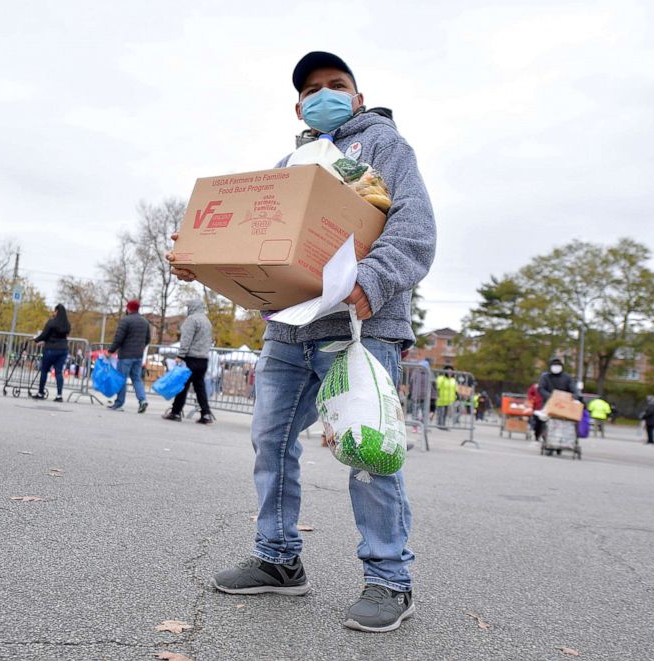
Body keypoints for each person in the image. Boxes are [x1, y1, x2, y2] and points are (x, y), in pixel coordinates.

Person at [170, 51, 435, 632]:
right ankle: (278, 558)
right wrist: (202, 259)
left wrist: (371, 282)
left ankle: (390, 580)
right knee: (271, 442)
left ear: (359, 97)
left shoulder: (387, 148)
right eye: (312, 89)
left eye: (337, 85)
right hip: (290, 329)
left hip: (363, 329)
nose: (324, 94)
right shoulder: (291, 163)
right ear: (298, 105)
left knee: (369, 453)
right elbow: (261, 243)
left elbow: (415, 234)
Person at [162, 298, 214, 424]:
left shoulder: (191, 320)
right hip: (203, 359)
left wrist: (181, 355)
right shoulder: (207, 321)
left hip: (191, 358)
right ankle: (206, 414)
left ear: (192, 307)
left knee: (182, 386)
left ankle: (175, 412)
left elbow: (186, 339)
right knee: (200, 388)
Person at [107, 299, 151, 413]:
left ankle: (119, 403)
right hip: (138, 356)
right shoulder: (145, 322)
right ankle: (143, 400)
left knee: (121, 379)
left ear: (128, 308)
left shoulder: (125, 320)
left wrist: (111, 351)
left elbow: (119, 338)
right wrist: (140, 347)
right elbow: (148, 339)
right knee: (136, 379)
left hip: (126, 355)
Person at [33, 304, 71, 402]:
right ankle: (59, 395)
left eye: (54, 311)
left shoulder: (51, 322)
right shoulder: (67, 324)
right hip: (63, 350)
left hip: (50, 349)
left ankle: (41, 392)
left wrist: (36, 340)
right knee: (58, 372)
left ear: (57, 311)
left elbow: (44, 335)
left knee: (44, 370)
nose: (53, 313)